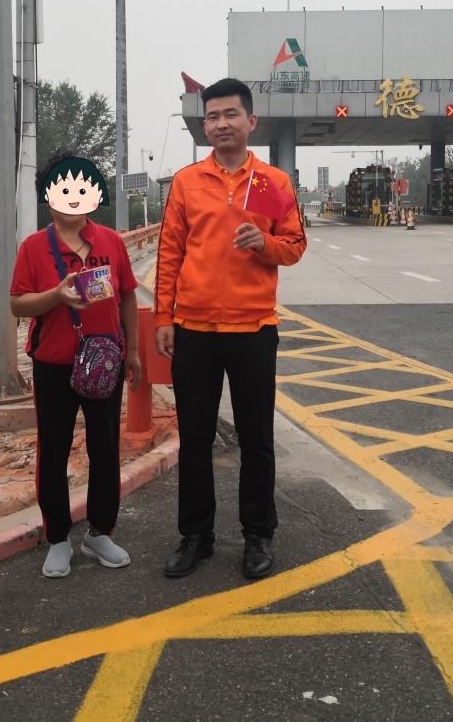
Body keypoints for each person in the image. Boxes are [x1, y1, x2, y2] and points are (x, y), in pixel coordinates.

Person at [155, 78, 306, 580]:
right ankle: (195, 536)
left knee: (256, 439)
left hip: (253, 328)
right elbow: (170, 253)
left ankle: (258, 535)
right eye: (212, 116)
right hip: (194, 329)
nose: (221, 124)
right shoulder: (187, 182)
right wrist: (164, 317)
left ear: (251, 121)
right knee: (195, 439)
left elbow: (294, 247)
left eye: (230, 114)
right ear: (205, 125)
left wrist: (264, 244)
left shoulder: (271, 183)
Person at [9, 153, 141, 578]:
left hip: (104, 361)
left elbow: (126, 296)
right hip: (53, 364)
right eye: (64, 189)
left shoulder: (111, 242)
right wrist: (56, 296)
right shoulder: (34, 247)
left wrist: (133, 352)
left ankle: (101, 531)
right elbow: (17, 304)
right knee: (54, 448)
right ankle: (58, 538)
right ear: (49, 196)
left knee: (105, 446)